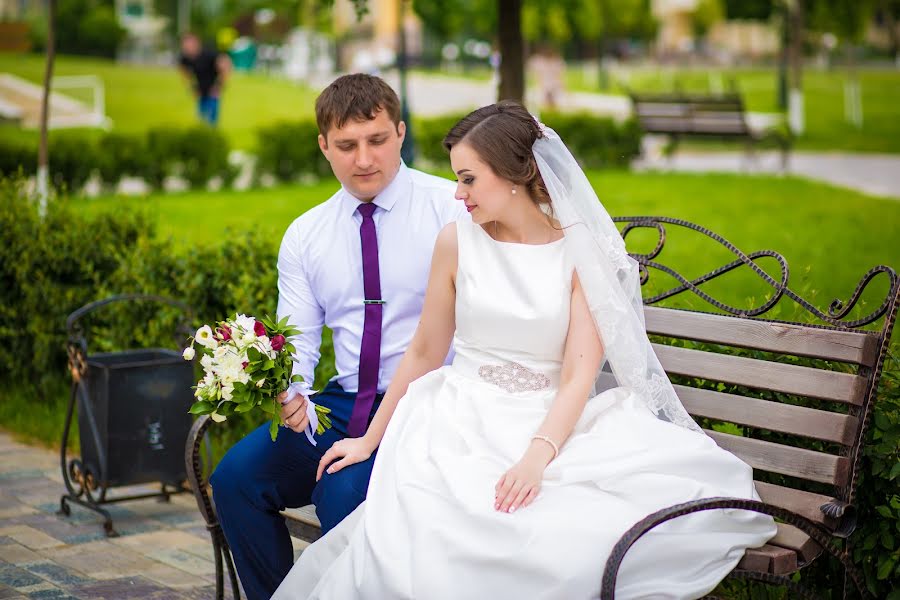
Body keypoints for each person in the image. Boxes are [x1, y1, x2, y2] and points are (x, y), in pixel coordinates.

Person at [272, 101, 778, 599]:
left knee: (556, 538)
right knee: (428, 541)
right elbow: (425, 351)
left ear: (517, 173)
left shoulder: (582, 252)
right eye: (456, 178)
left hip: (548, 421)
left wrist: (536, 459)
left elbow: (580, 374)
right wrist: (368, 440)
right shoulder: (455, 241)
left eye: (469, 178)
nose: (458, 193)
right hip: (453, 423)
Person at [209, 73, 467, 600]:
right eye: (346, 146)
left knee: (342, 492)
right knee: (234, 480)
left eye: (377, 140)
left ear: (400, 132)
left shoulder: (451, 210)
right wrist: (293, 395)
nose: (364, 159)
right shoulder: (307, 234)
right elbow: (299, 338)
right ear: (324, 146)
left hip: (425, 408)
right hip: (341, 405)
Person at [178, 33, 232, 126]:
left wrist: (219, 86)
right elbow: (183, 71)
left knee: (211, 119)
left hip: (213, 89)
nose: (187, 47)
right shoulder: (185, 58)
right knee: (202, 118)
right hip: (200, 90)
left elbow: (226, 65)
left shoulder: (208, 54)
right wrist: (191, 88)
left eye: (189, 44)